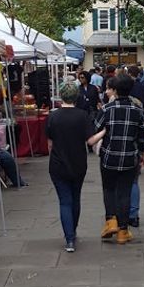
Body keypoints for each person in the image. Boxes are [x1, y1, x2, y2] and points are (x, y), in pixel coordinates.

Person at [46, 82, 105, 252]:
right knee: (75, 197)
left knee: (64, 201)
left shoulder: (53, 116)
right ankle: (73, 229)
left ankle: (69, 238)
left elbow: (50, 143)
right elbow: (90, 141)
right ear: (76, 97)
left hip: (57, 164)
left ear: (61, 96)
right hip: (78, 163)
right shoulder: (82, 116)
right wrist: (104, 131)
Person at [95, 74, 144, 244]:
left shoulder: (107, 109)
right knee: (125, 192)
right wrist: (141, 152)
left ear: (115, 90)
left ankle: (111, 222)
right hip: (129, 158)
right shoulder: (137, 111)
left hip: (109, 156)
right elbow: (143, 138)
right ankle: (123, 231)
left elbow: (96, 129)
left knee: (109, 189)